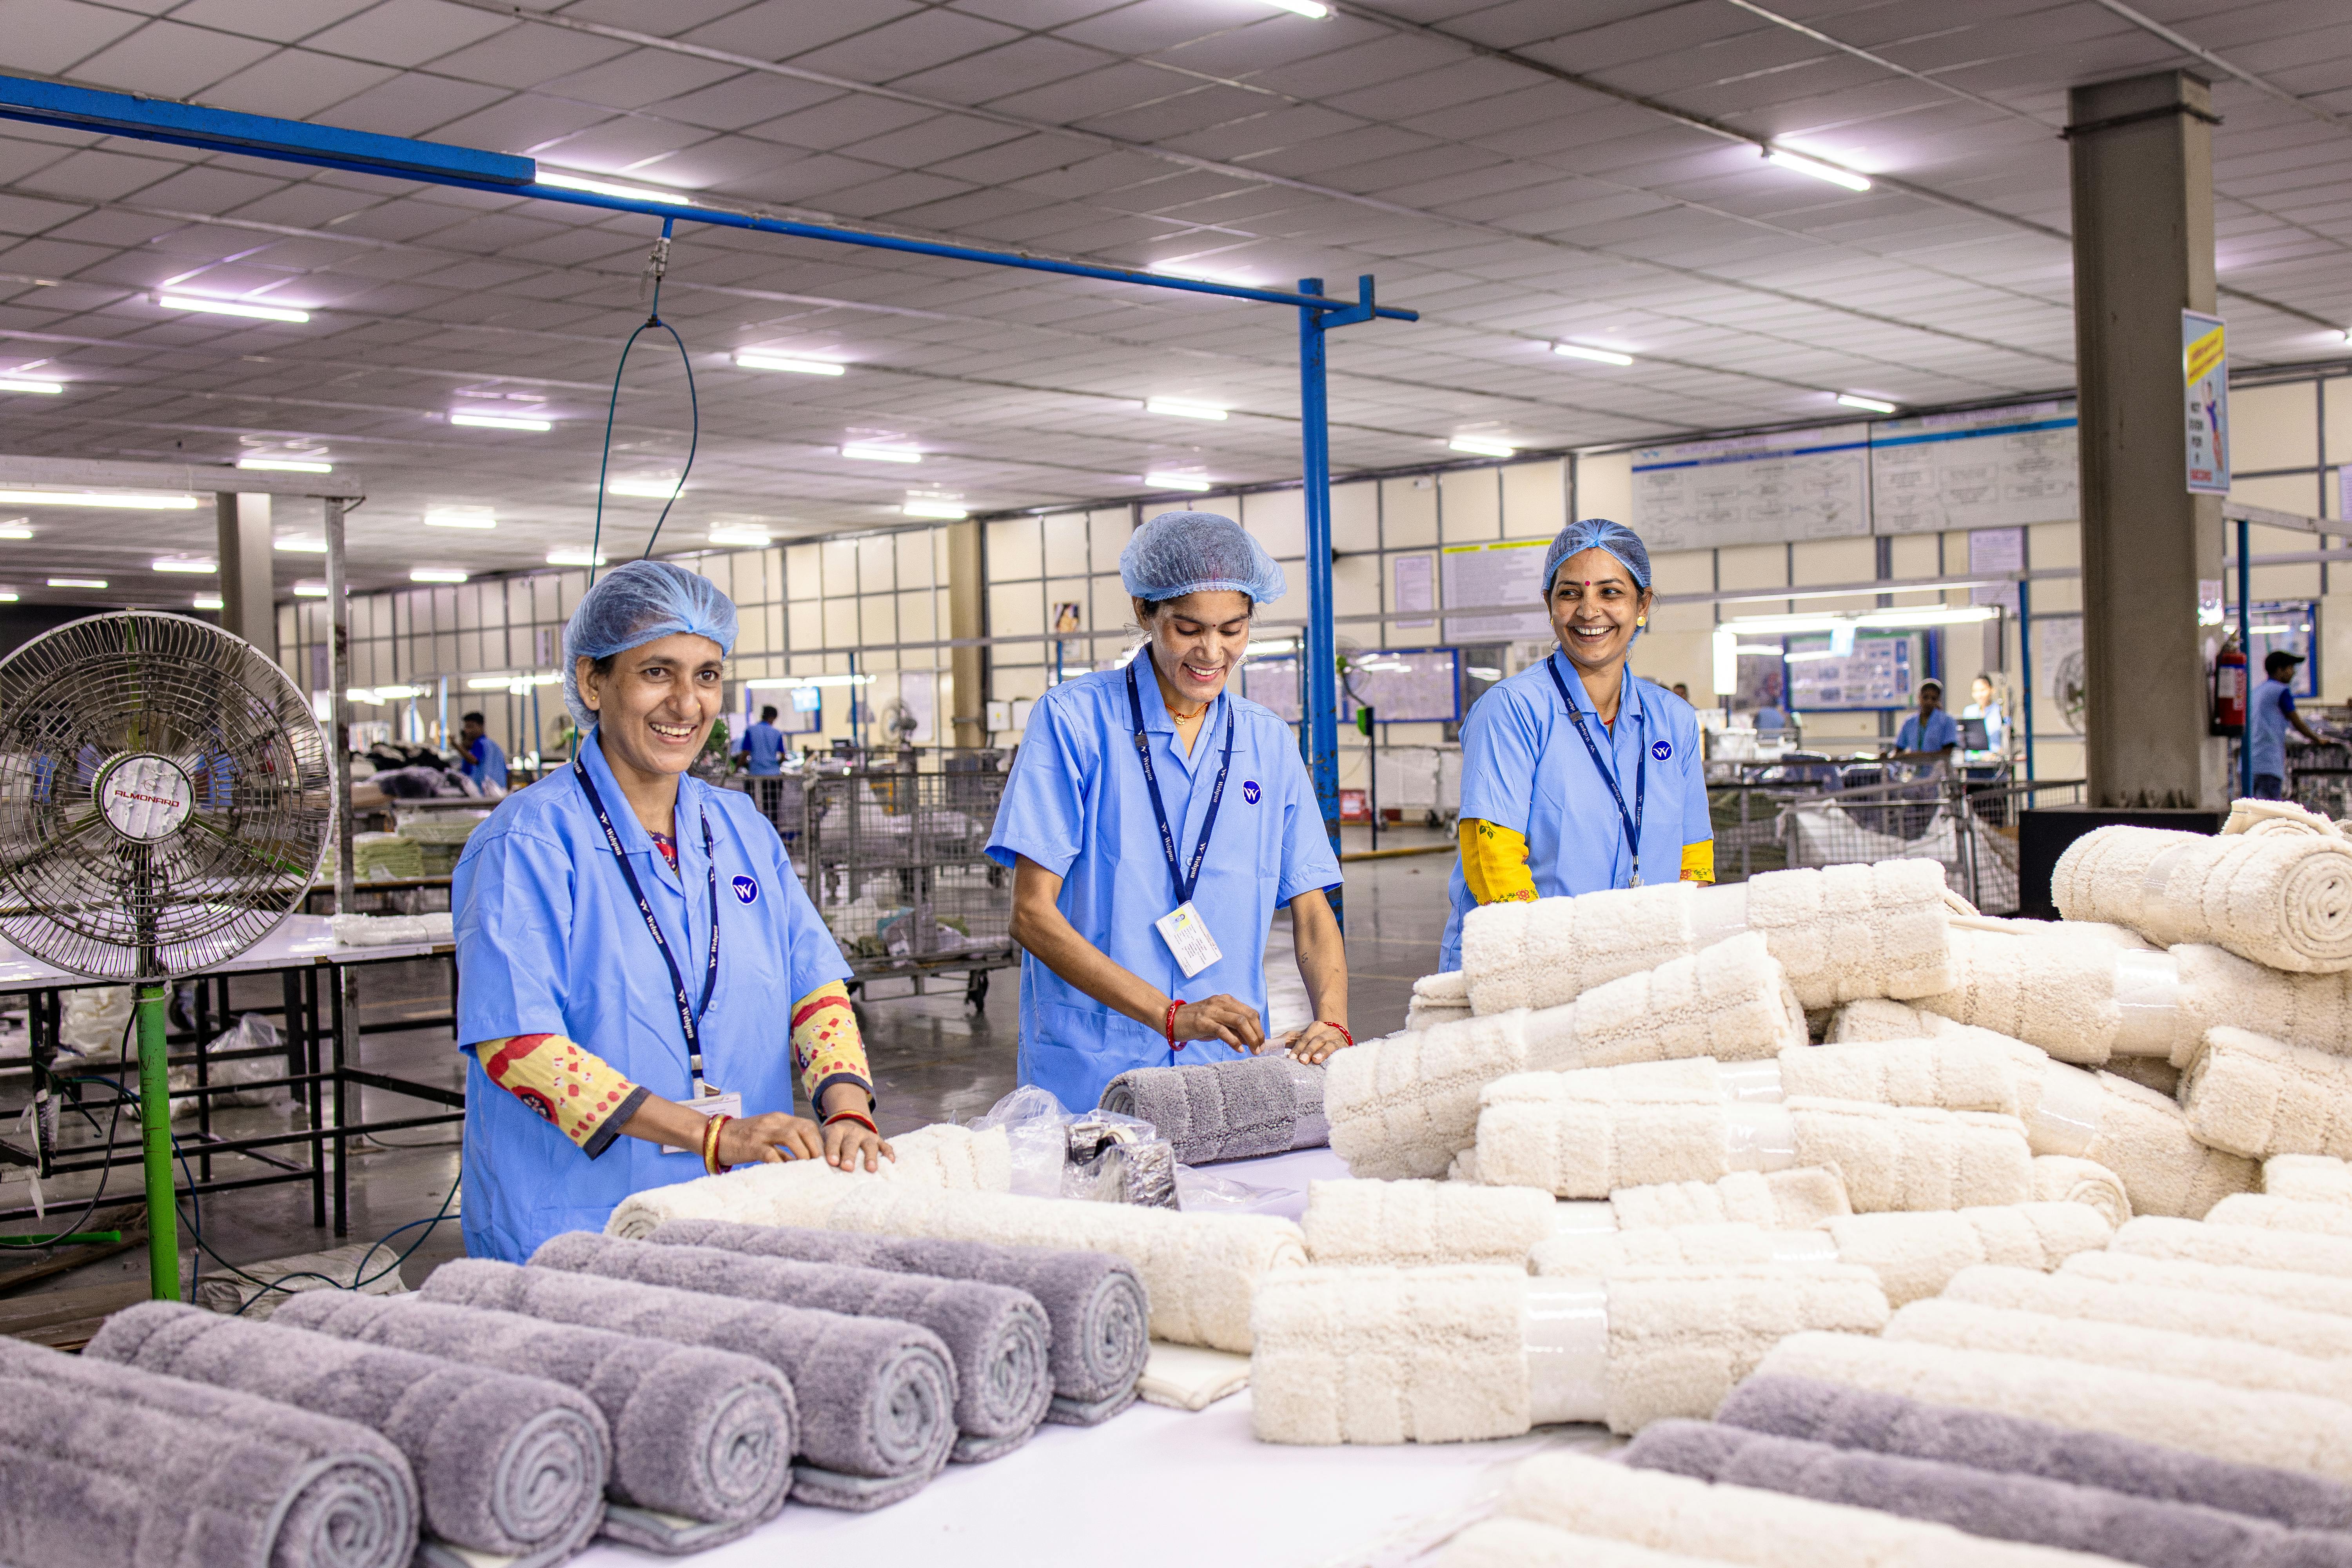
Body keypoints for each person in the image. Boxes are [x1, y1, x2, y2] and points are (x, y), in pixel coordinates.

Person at [452, 561, 890, 1262]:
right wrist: (708, 1134)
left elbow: (815, 989)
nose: (686, 704)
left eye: (707, 675)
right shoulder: (529, 842)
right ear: (593, 682)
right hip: (578, 1220)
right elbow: (517, 1045)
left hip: (742, 1202)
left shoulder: (741, 827)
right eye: (658, 672)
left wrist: (846, 1109)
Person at [987, 510, 1350, 1113]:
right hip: (1093, 1066)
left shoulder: (1266, 742)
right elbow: (1031, 915)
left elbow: (1313, 908)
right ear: (1144, 613)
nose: (1212, 652)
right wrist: (1170, 1015)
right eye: (1188, 629)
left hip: (1222, 1067)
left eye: (1234, 630)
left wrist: (1332, 1020)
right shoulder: (1075, 722)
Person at [1442, 518, 1713, 974]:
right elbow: (1492, 856)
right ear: (1549, 604)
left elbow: (1695, 855)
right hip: (1524, 965)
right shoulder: (1512, 710)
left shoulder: (1675, 720)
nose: (1589, 611)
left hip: (1641, 964)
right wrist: (1553, 966)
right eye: (1570, 593)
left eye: (1610, 593)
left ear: (1642, 603)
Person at [2249, 648, 2325, 800]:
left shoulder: (2257, 691)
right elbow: (2296, 721)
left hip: (2249, 763)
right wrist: (2317, 738)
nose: (2293, 673)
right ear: (2280, 670)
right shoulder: (2281, 691)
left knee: (2254, 810)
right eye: (2291, 668)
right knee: (2269, 813)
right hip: (2268, 762)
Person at [736, 702, 786, 820]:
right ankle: (773, 831)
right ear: (774, 718)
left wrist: (737, 768)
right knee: (772, 808)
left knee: (753, 807)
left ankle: (756, 832)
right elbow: (783, 755)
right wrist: (776, 764)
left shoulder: (751, 731)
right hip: (774, 776)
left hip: (755, 776)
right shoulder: (777, 733)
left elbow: (745, 754)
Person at [1892, 680, 1960, 762]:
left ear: (1939, 700)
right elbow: (1898, 750)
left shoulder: (1947, 721)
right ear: (1919, 697)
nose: (1929, 702)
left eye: (1934, 699)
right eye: (1925, 697)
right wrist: (1886, 757)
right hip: (1916, 771)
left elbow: (1947, 753)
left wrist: (1917, 756)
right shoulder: (1910, 722)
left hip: (1940, 771)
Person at [457, 711, 508, 793]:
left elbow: (474, 761)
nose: (468, 731)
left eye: (471, 727)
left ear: (481, 726)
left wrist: (455, 745)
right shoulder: (494, 746)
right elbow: (508, 773)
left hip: (483, 793)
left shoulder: (480, 744)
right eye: (466, 727)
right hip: (500, 792)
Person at [1962, 674, 2008, 754]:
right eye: (1975, 691)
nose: (1979, 695)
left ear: (1992, 690)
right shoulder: (1969, 712)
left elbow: (2007, 742)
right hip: (1973, 763)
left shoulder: (2000, 711)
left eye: (1983, 690)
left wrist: (1996, 754)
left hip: (1995, 762)